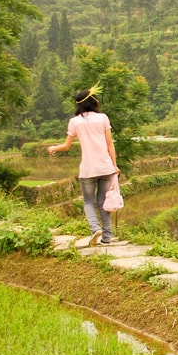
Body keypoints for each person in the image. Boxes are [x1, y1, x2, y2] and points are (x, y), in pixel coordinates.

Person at [48, 83, 119, 246]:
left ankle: (95, 229)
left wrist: (53, 148)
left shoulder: (74, 122)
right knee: (103, 202)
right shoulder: (103, 118)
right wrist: (114, 165)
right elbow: (110, 144)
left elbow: (66, 146)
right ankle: (107, 237)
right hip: (106, 167)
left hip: (88, 169)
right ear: (94, 102)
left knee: (88, 202)